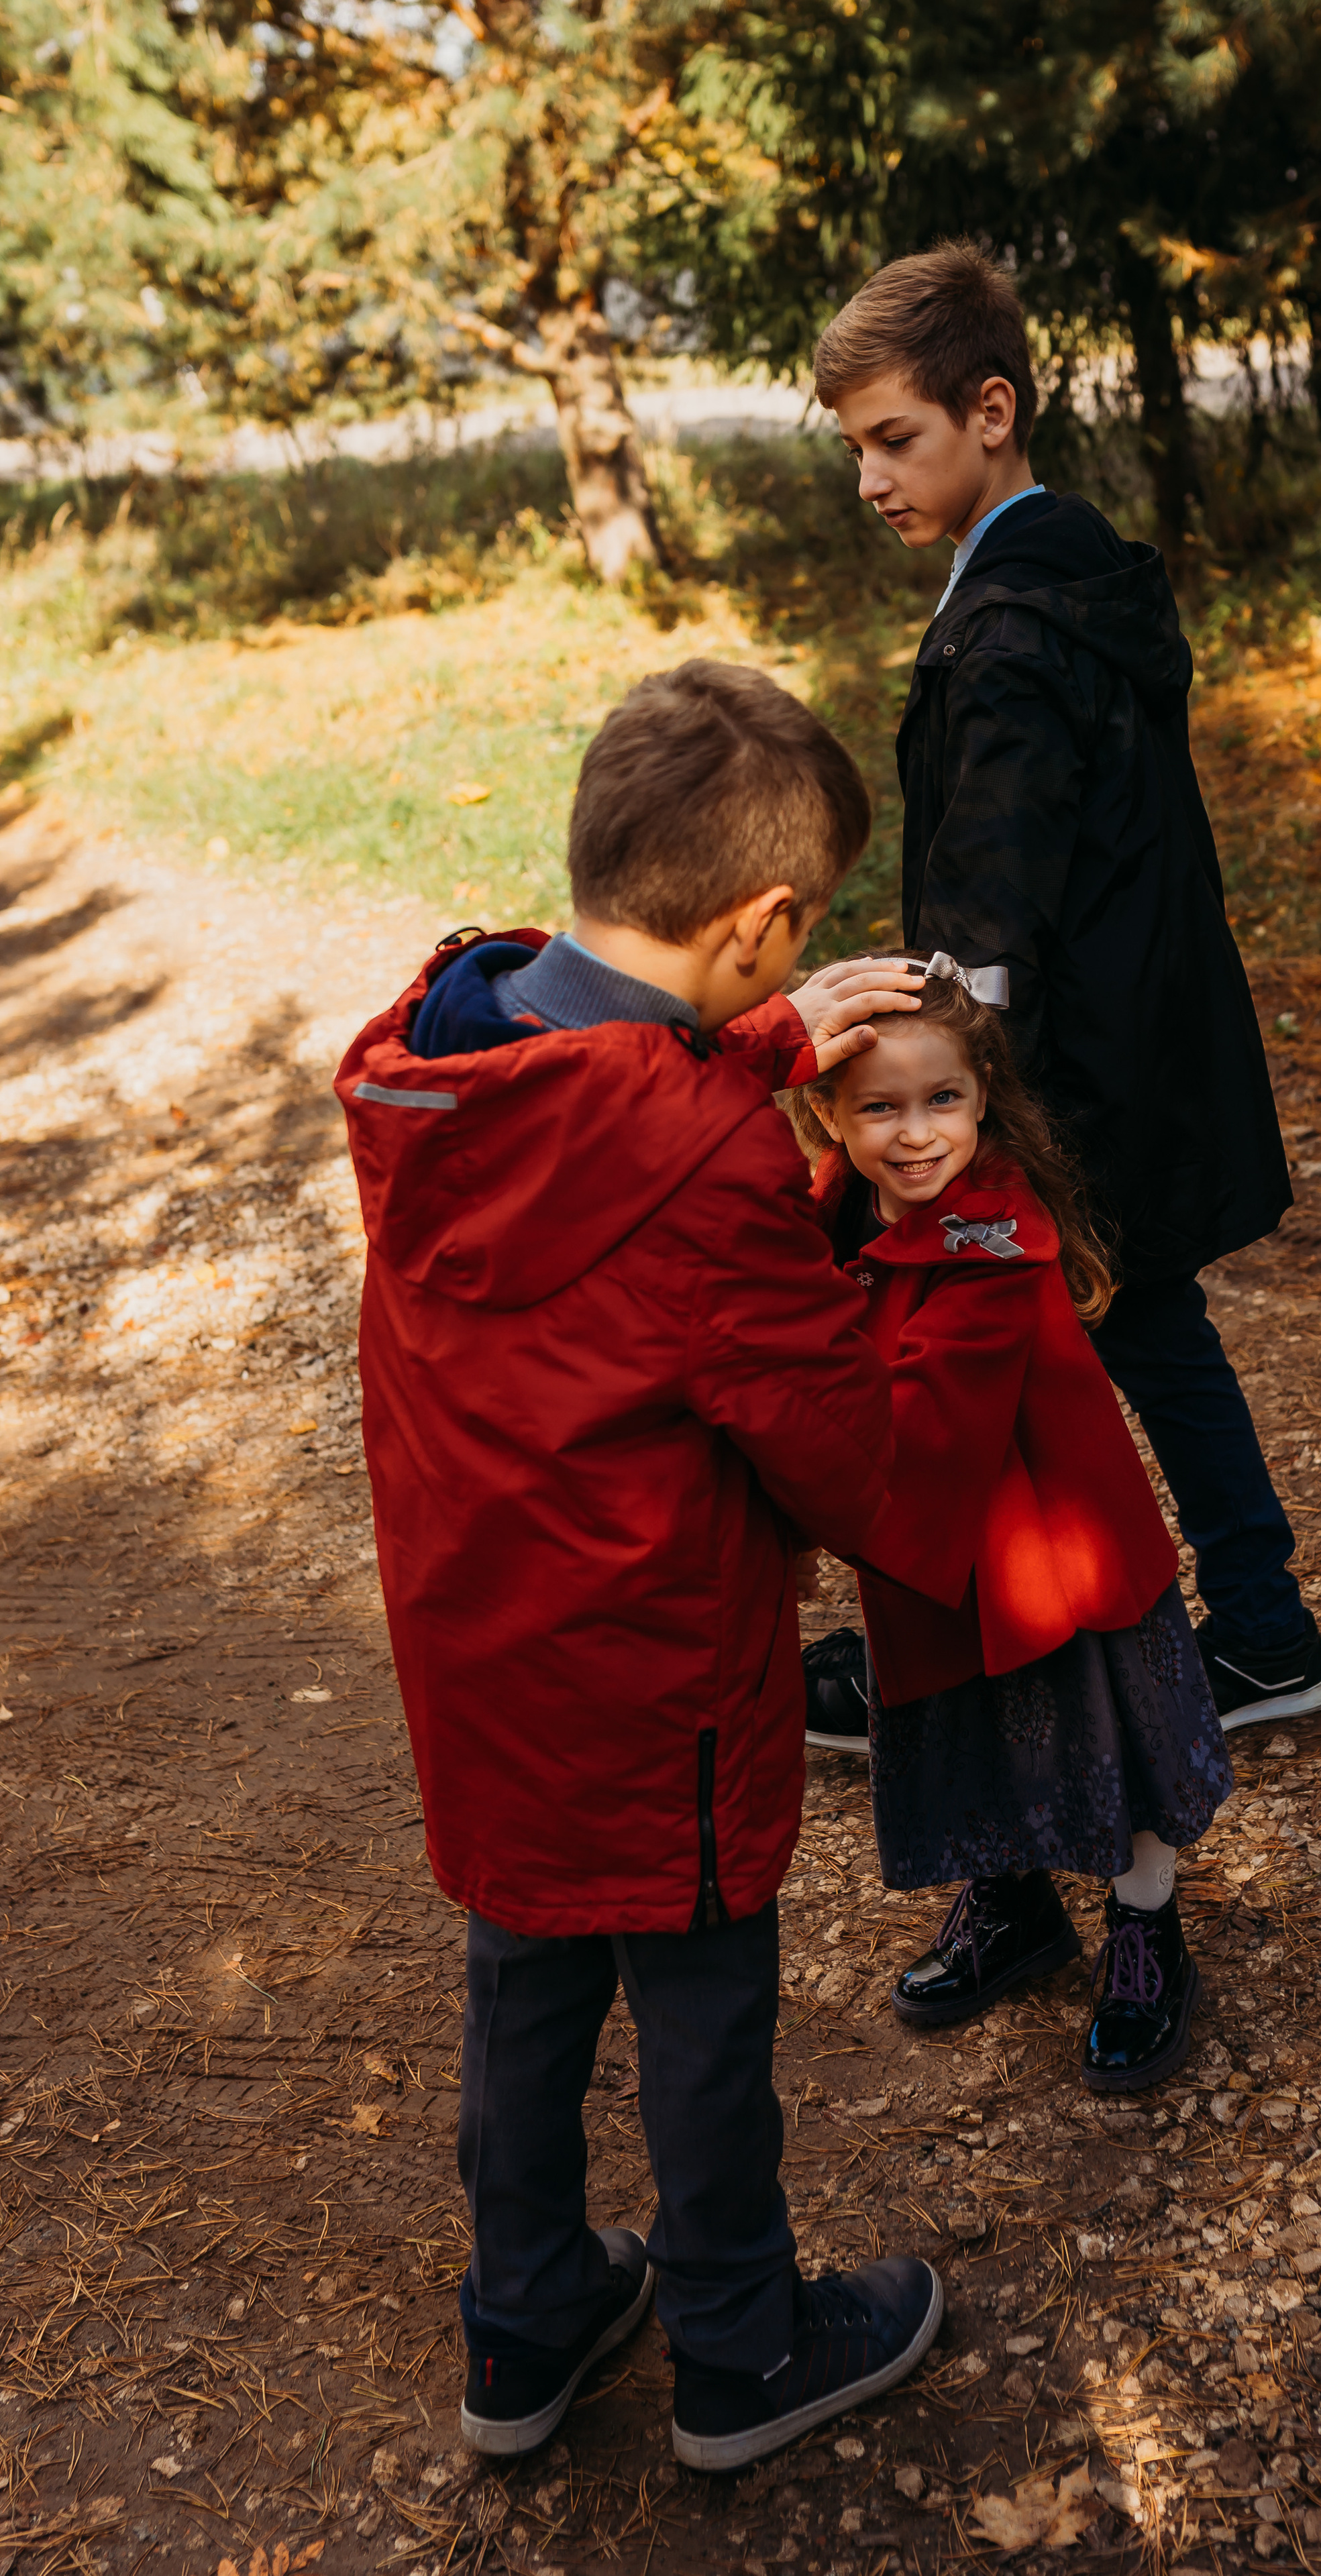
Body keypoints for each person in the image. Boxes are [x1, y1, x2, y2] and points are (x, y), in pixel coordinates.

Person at [335, 660, 942, 2473]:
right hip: (656, 1671)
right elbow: (839, 1453)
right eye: (797, 937)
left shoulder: (442, 1057)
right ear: (760, 923)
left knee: (523, 1976)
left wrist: (758, 1049)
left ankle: (521, 2325)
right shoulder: (712, 1173)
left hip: (481, 1646)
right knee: (699, 2005)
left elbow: (604, 1124)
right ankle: (742, 2350)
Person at [806, 240, 1321, 1739]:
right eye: (854, 450)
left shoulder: (1010, 634)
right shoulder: (1073, 574)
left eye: (894, 439)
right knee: (1148, 1332)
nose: (871, 480)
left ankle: (948, 1656)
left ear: (991, 411)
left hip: (1063, 1078)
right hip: (1131, 1045)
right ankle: (1261, 1631)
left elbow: (992, 910)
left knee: (972, 1346)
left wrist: (940, 1087)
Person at [790, 956, 1234, 2088]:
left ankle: (1146, 1927)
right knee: (971, 1730)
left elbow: (922, 1423)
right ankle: (1015, 1904)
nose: (916, 1135)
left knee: (1105, 1733)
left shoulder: (994, 1238)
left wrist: (789, 1455)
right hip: (940, 1557)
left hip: (1051, 1558)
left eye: (943, 1100)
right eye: (879, 1109)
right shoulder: (835, 1207)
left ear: (983, 1097)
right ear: (827, 1114)